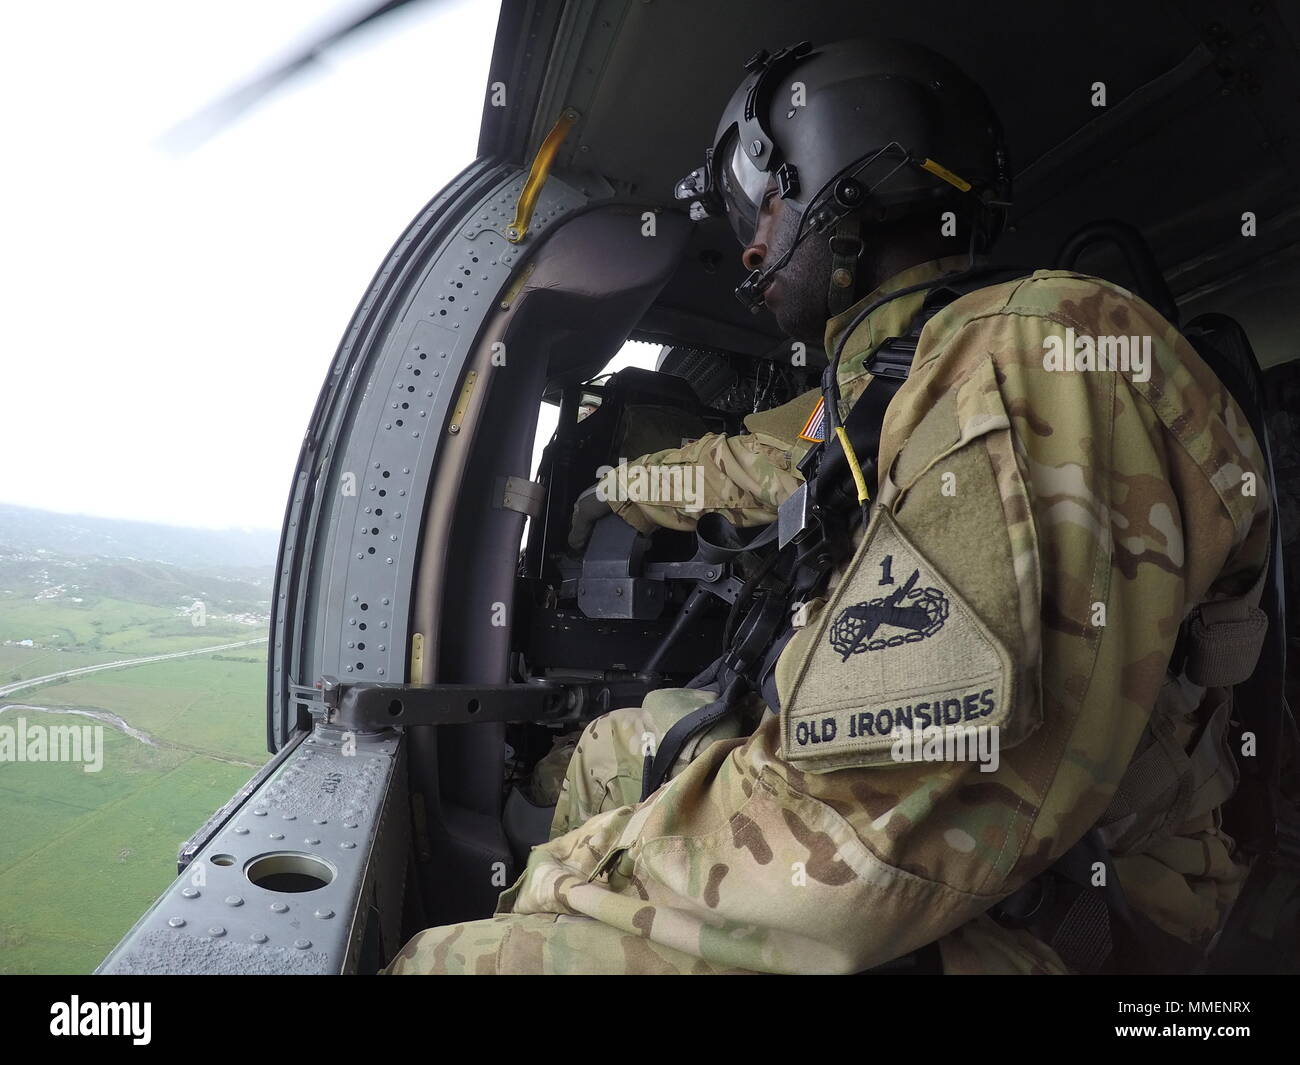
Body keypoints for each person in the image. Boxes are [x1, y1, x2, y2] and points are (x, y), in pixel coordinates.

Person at [386, 36, 1271, 974]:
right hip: (963, 846)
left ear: (836, 178)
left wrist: (568, 882)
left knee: (452, 964)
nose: (750, 245)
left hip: (1082, 908)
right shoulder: (893, 375)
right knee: (612, 752)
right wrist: (618, 492)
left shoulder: (1027, 357)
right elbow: (757, 464)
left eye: (761, 201)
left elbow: (863, 829)